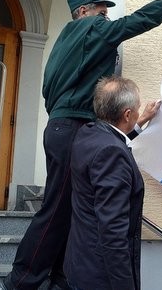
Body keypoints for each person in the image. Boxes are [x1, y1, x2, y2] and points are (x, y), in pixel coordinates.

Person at [3, 0, 162, 290]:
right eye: (101, 11)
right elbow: (135, 22)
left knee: (69, 208)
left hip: (62, 127)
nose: (106, 19)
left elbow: (49, 92)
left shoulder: (62, 45)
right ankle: (21, 281)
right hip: (72, 129)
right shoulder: (90, 28)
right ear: (83, 11)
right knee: (56, 210)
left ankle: (59, 279)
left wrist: (133, 127)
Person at [64, 76, 145, 290]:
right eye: (137, 108)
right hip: (100, 276)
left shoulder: (87, 134)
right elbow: (112, 230)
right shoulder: (111, 153)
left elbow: (115, 139)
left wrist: (141, 122)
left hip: (80, 263)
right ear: (127, 114)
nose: (139, 111)